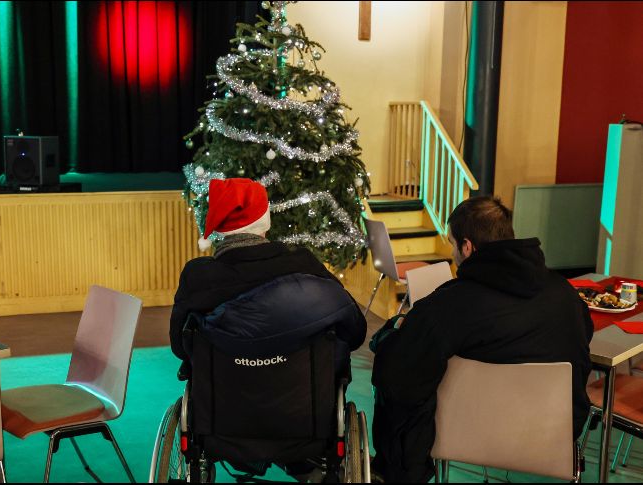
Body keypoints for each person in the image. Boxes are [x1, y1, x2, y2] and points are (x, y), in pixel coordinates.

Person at [370, 196, 594, 482]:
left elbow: (398, 374)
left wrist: (393, 333)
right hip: (554, 436)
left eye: (452, 244)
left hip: (469, 436)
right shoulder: (564, 294)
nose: (452, 253)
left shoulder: (452, 303)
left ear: (467, 246)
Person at [170, 177, 367, 369]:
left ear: (220, 229)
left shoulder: (198, 277)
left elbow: (181, 347)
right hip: (307, 397)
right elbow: (355, 331)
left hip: (223, 397)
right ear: (265, 219)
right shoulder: (305, 264)